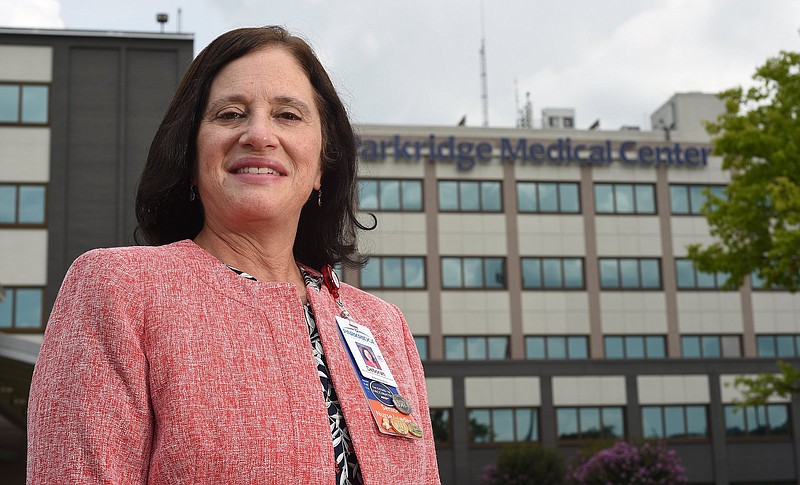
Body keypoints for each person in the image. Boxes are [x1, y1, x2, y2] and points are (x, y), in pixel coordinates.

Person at [27, 26, 440, 484]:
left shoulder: (384, 326)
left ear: (322, 164)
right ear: (189, 155)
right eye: (230, 114)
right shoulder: (119, 290)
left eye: (287, 115)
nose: (259, 134)